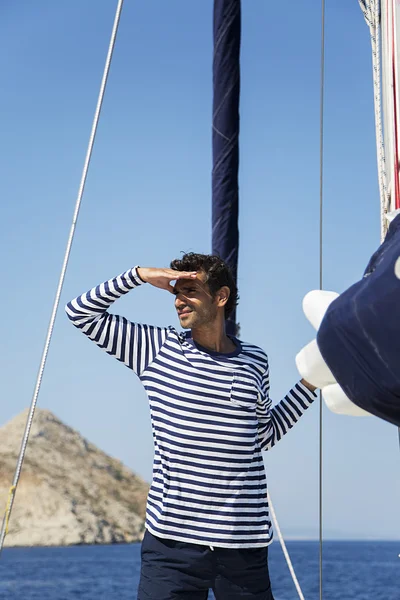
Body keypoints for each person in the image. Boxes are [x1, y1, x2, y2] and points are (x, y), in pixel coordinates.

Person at [66, 253, 317, 600]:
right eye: (176, 293)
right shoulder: (154, 349)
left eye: (190, 291)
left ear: (221, 297)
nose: (179, 301)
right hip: (172, 548)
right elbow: (79, 312)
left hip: (243, 549)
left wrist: (310, 385)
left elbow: (263, 436)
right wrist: (138, 275)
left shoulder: (255, 361)